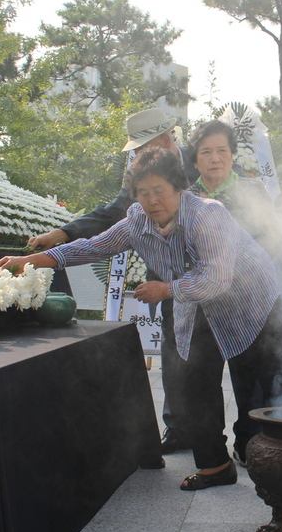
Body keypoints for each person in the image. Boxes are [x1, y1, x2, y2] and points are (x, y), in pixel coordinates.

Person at [0, 149, 282, 490]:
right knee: (192, 380)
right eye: (143, 192)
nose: (152, 201)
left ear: (179, 188)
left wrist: (165, 290)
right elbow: (94, 247)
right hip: (194, 300)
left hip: (249, 298)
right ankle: (215, 466)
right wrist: (36, 259)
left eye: (160, 191)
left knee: (266, 379)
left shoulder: (207, 215)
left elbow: (217, 279)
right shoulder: (136, 220)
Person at [25, 108, 196, 455]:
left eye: (141, 147)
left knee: (222, 352)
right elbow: (113, 215)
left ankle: (241, 434)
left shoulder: (201, 160)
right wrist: (63, 233)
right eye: (134, 151)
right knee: (174, 350)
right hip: (164, 273)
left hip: (211, 270)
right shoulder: (138, 172)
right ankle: (178, 428)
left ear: (165, 140)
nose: (135, 156)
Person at [185, 120, 282, 465]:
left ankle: (273, 441)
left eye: (221, 151)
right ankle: (231, 450)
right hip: (208, 304)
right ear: (195, 160)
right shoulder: (187, 198)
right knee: (221, 378)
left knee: (265, 372)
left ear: (232, 156)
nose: (214, 159)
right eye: (205, 152)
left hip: (252, 299)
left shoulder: (252, 192)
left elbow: (272, 239)